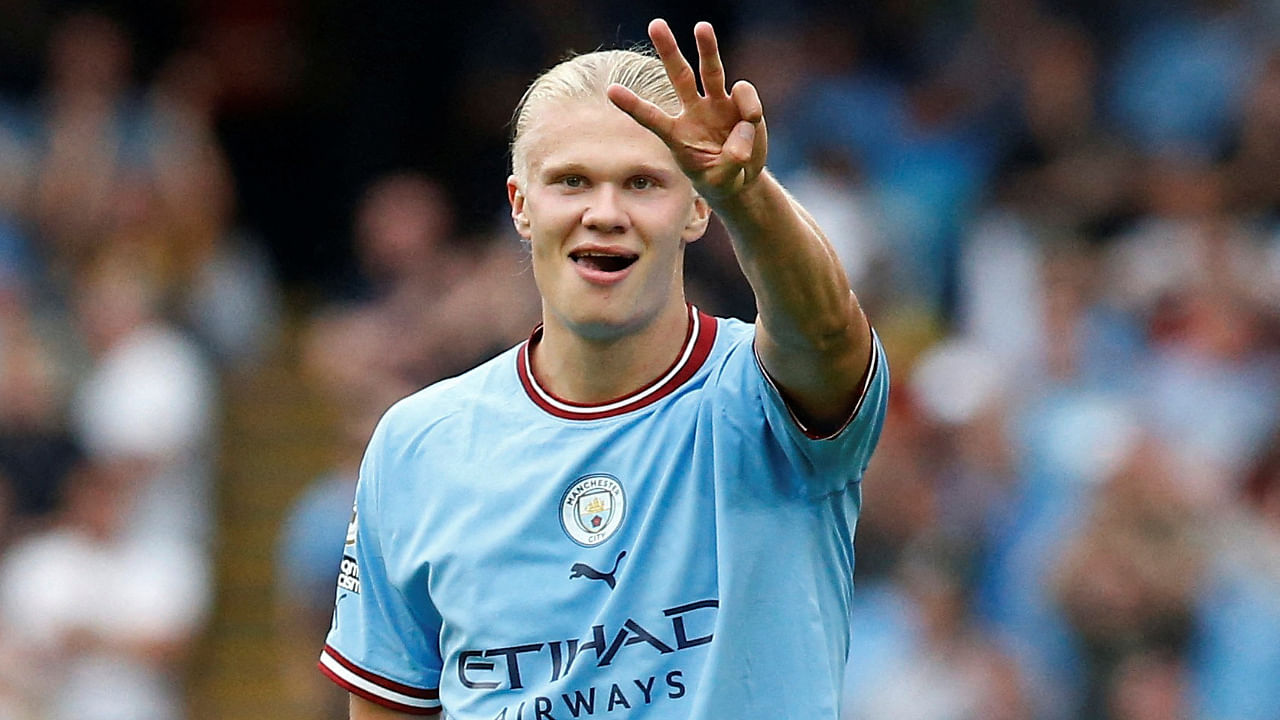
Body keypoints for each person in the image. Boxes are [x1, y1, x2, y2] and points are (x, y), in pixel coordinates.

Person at [319, 19, 888, 719]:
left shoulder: (765, 395)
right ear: (521, 208)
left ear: (696, 210)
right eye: (572, 182)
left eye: (644, 183)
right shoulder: (418, 443)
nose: (605, 212)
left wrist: (748, 196)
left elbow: (829, 332)